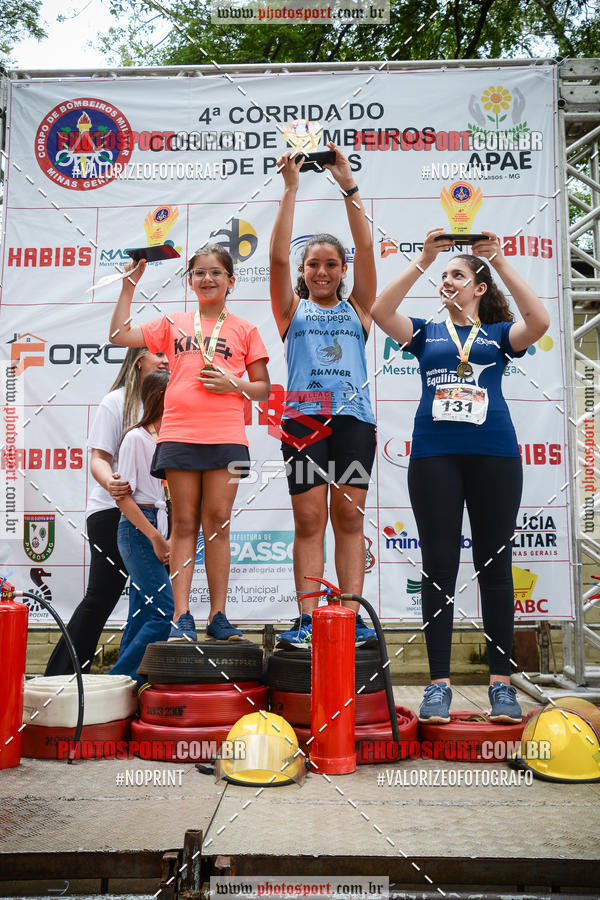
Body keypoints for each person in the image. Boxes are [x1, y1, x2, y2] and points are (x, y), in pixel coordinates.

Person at [371, 227, 550, 724]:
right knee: (440, 565)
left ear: (479, 288)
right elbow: (381, 311)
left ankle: (500, 685)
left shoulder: (497, 337)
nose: (448, 280)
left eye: (458, 274)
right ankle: (438, 686)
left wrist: (501, 261)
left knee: (496, 565)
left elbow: (539, 320)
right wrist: (424, 260)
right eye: (444, 275)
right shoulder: (426, 332)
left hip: (494, 454)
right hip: (435, 457)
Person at [109, 245, 270, 642]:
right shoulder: (174, 322)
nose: (208, 279)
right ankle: (182, 617)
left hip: (227, 436)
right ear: (190, 280)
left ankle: (218, 615)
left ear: (231, 281)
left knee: (217, 524)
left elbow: (263, 389)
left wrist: (233, 383)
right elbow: (118, 335)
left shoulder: (245, 329)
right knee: (184, 524)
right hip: (179, 434)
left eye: (216, 273)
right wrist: (129, 286)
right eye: (199, 273)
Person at [269, 142, 378, 648]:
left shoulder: (360, 307)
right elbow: (274, 256)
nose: (322, 271)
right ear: (304, 270)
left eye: (332, 264)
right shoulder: (291, 310)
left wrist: (348, 183)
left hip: (353, 419)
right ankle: (308, 619)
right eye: (314, 264)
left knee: (348, 517)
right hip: (304, 421)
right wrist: (292, 188)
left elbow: (368, 249)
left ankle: (351, 618)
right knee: (309, 519)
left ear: (342, 269)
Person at [45, 347, 169, 675]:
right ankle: (60, 678)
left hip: (152, 514)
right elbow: (98, 458)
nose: (166, 358)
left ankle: (127, 681)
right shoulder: (117, 401)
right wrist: (112, 483)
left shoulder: (170, 399)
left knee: (146, 605)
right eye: (157, 352)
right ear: (138, 359)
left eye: (168, 351)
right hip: (112, 512)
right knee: (102, 596)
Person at [108, 370, 174, 684]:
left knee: (141, 613)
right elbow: (125, 499)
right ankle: (120, 679)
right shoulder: (136, 438)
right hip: (139, 527)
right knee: (163, 610)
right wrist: (157, 537)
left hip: (155, 525)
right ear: (161, 396)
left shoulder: (167, 438)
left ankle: (122, 689)